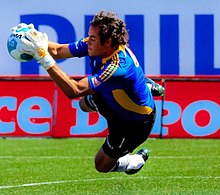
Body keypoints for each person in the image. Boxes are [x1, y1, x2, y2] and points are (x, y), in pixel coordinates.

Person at [14, 10, 163, 174]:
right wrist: (31, 38)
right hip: (110, 98)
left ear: (108, 42)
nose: (88, 41)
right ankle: (145, 86)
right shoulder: (99, 45)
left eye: (93, 38)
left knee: (101, 165)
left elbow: (74, 90)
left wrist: (42, 57)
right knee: (84, 104)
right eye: (89, 36)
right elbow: (57, 51)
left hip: (132, 123)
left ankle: (134, 160)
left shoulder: (117, 67)